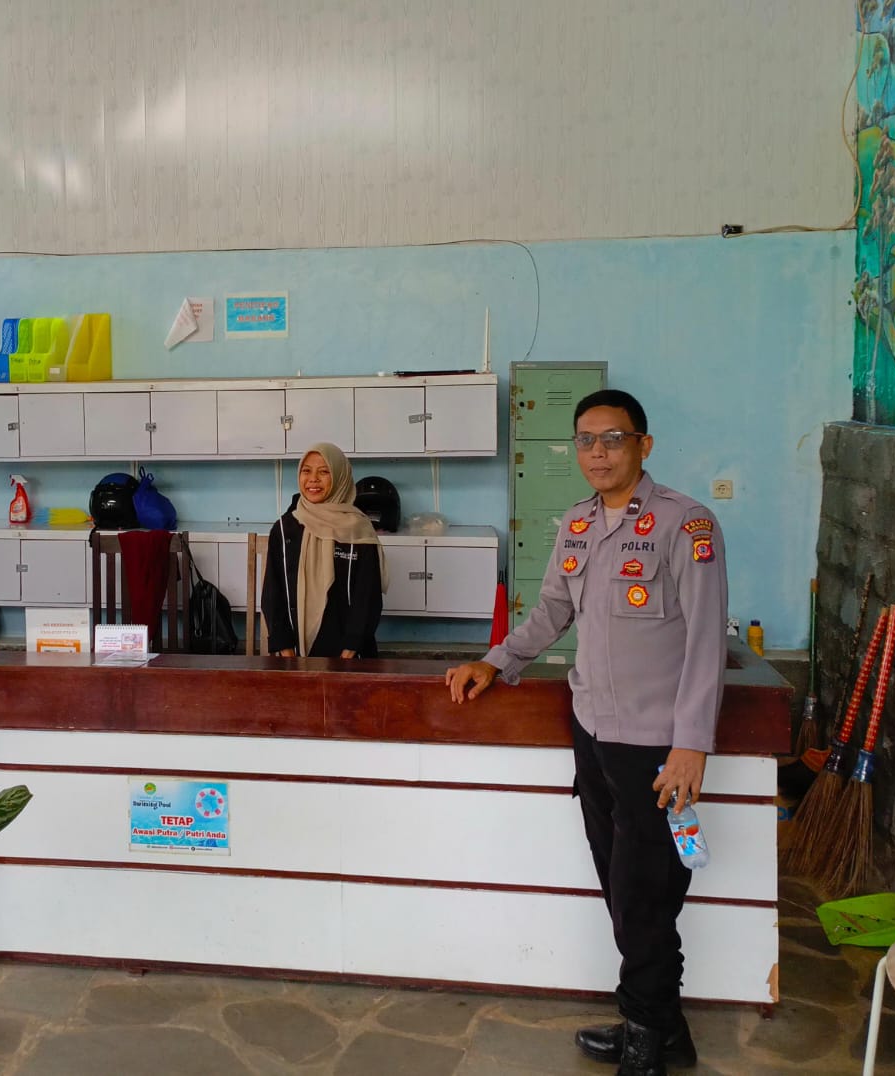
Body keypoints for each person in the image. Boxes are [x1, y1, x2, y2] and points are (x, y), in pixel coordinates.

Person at [444, 390, 728, 1076]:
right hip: (594, 731)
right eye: (586, 441)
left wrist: (691, 743)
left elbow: (705, 641)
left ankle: (645, 1038)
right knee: (622, 886)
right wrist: (496, 661)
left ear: (643, 445)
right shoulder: (576, 524)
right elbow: (550, 611)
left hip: (655, 744)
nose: (598, 453)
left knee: (643, 893)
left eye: (613, 439)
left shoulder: (686, 523)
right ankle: (665, 1029)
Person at [261, 442, 386, 658]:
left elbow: (368, 596)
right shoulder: (284, 529)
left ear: (339, 477)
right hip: (295, 654)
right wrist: (286, 652)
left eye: (324, 472)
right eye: (306, 471)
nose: (313, 479)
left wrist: (350, 650)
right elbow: (273, 594)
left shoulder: (358, 529)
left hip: (351, 656)